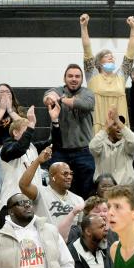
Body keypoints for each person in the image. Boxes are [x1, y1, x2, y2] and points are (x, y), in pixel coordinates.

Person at [44, 64, 96, 198]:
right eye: (70, 76)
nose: (74, 79)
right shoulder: (58, 90)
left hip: (83, 151)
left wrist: (61, 99)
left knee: (85, 189)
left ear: (82, 79)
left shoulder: (87, 93)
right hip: (59, 151)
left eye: (77, 76)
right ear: (64, 78)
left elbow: (84, 104)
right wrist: (50, 97)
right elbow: (48, 96)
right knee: (56, 189)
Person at [79, 13, 134, 134]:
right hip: (98, 127)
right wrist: (84, 27)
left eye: (112, 57)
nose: (111, 58)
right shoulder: (92, 75)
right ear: (98, 62)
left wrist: (133, 29)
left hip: (119, 127)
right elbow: (87, 51)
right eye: (107, 56)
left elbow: (130, 54)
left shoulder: (121, 77)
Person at [0, 109, 52, 206]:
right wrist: (31, 124)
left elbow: (54, 143)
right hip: (12, 202)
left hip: (34, 201)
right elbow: (20, 149)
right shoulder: (6, 147)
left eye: (31, 129)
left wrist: (55, 121)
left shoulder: (32, 147)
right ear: (15, 132)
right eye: (27, 130)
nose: (30, 133)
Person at [19, 149, 85, 228]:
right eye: (65, 174)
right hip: (46, 239)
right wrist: (38, 161)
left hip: (70, 239)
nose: (69, 177)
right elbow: (23, 185)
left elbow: (80, 228)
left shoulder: (78, 200)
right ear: (53, 177)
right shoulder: (40, 193)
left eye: (71, 174)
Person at [89, 109, 134, 186]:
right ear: (109, 127)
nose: (119, 127)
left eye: (121, 124)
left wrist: (118, 122)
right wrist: (105, 128)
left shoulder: (127, 143)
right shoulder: (101, 143)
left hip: (125, 189)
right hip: (105, 189)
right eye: (115, 124)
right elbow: (93, 147)